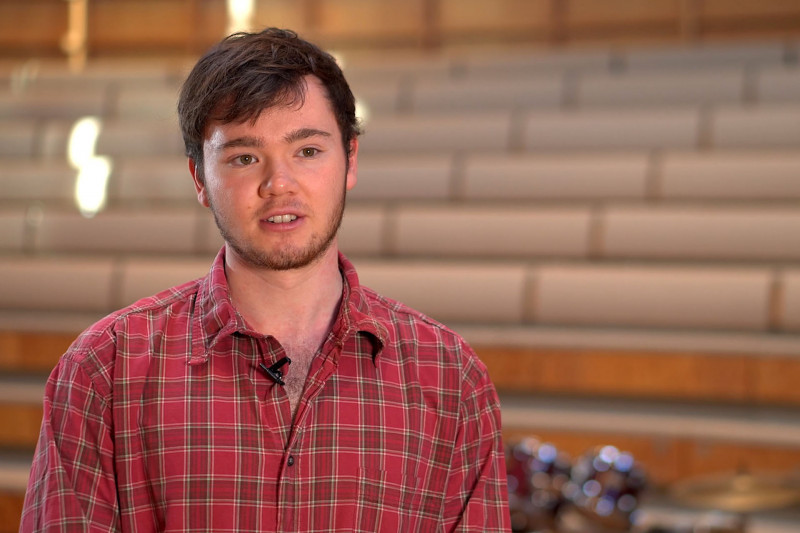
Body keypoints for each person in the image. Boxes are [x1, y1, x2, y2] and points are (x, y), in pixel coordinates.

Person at [20, 27, 510, 532]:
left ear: (350, 160)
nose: (279, 184)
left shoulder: (450, 378)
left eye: (308, 151)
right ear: (200, 179)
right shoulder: (104, 371)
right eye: (244, 158)